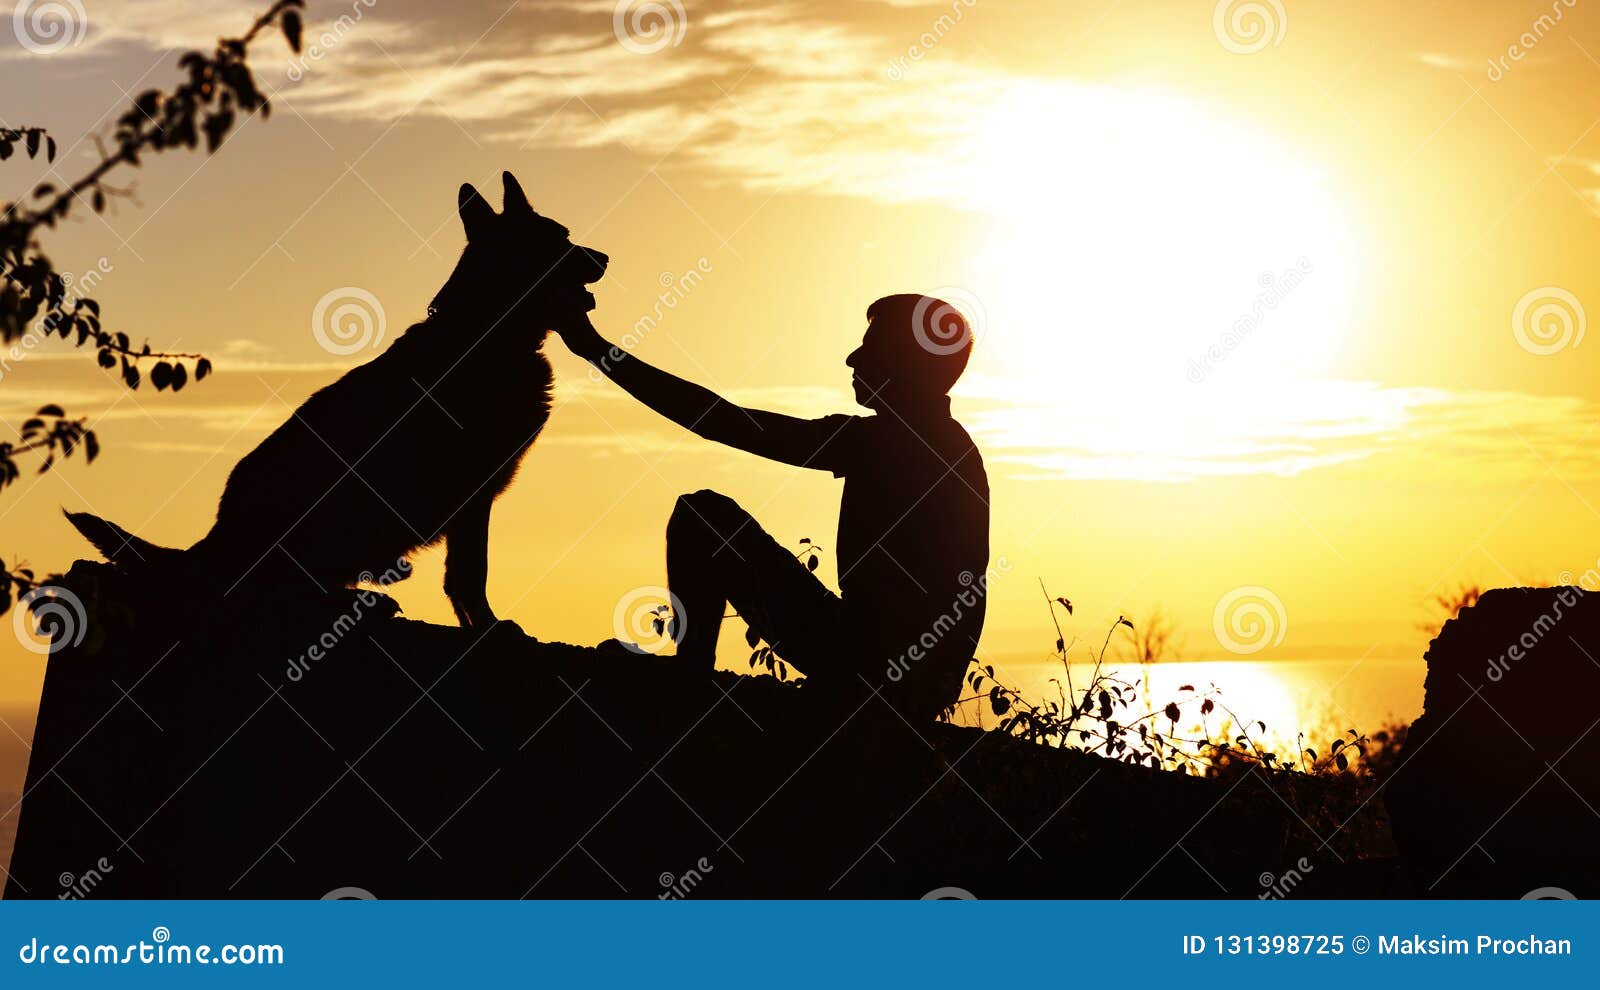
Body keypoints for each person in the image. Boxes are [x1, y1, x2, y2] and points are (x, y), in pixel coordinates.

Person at [552, 294, 989, 723]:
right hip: (903, 677)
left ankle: (691, 680)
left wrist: (594, 348)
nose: (853, 359)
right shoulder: (941, 445)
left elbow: (721, 421)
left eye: (871, 348)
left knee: (702, 517)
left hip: (869, 670)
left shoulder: (893, 443)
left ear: (904, 364)